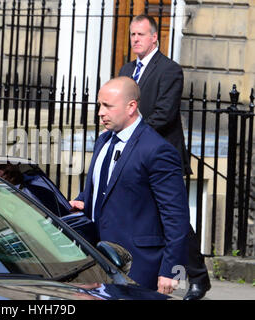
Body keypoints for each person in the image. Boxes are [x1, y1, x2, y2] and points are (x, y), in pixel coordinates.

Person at [118, 14, 211, 300]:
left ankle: (198, 278)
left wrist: (133, 132)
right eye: (132, 34)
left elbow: (164, 113)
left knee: (175, 218)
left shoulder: (170, 70)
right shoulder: (127, 69)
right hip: (133, 154)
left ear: (155, 37)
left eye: (141, 35)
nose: (135, 39)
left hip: (162, 156)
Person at [69, 77, 190, 294]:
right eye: (99, 105)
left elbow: (176, 216)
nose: (100, 112)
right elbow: (99, 190)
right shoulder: (103, 141)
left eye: (107, 106)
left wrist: (170, 270)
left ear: (131, 107)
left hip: (138, 265)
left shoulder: (156, 150)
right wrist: (82, 202)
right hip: (96, 260)